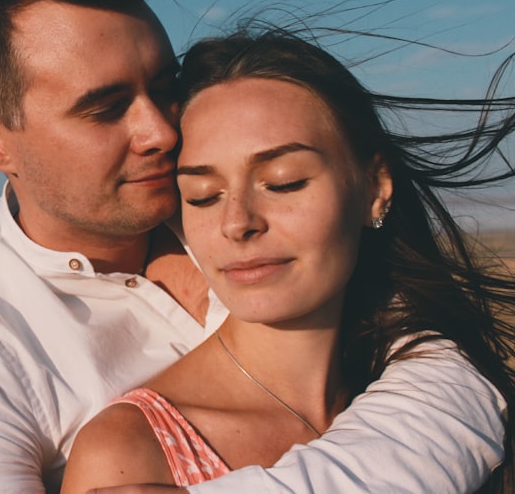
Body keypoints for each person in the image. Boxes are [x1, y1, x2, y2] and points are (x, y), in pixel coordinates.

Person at [0, 0, 508, 493]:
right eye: (108, 108)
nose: (162, 131)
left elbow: (446, 370)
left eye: (165, 87)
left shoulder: (225, 196)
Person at [61, 27, 515, 493]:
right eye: (203, 195)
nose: (238, 222)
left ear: (376, 187)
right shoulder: (129, 454)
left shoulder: (433, 393)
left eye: (283, 182)